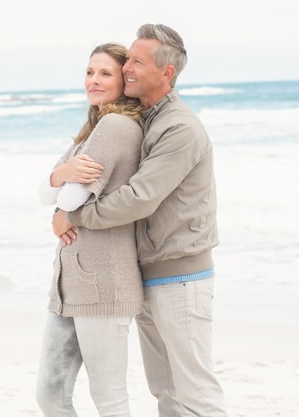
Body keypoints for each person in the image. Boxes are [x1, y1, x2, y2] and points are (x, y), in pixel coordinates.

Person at [52, 24, 229, 417]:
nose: (126, 67)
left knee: (195, 393)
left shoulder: (179, 127)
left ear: (166, 72)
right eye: (127, 59)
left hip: (181, 279)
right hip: (148, 275)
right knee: (165, 390)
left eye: (136, 61)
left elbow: (138, 199)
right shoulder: (144, 119)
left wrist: (73, 214)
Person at [36, 42, 146, 417]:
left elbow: (66, 201)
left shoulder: (116, 126)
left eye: (105, 73)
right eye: (89, 72)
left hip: (104, 282)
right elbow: (45, 191)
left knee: (109, 397)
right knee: (50, 395)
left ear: (124, 80)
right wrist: (59, 177)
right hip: (69, 284)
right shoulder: (93, 128)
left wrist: (59, 191)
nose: (94, 80)